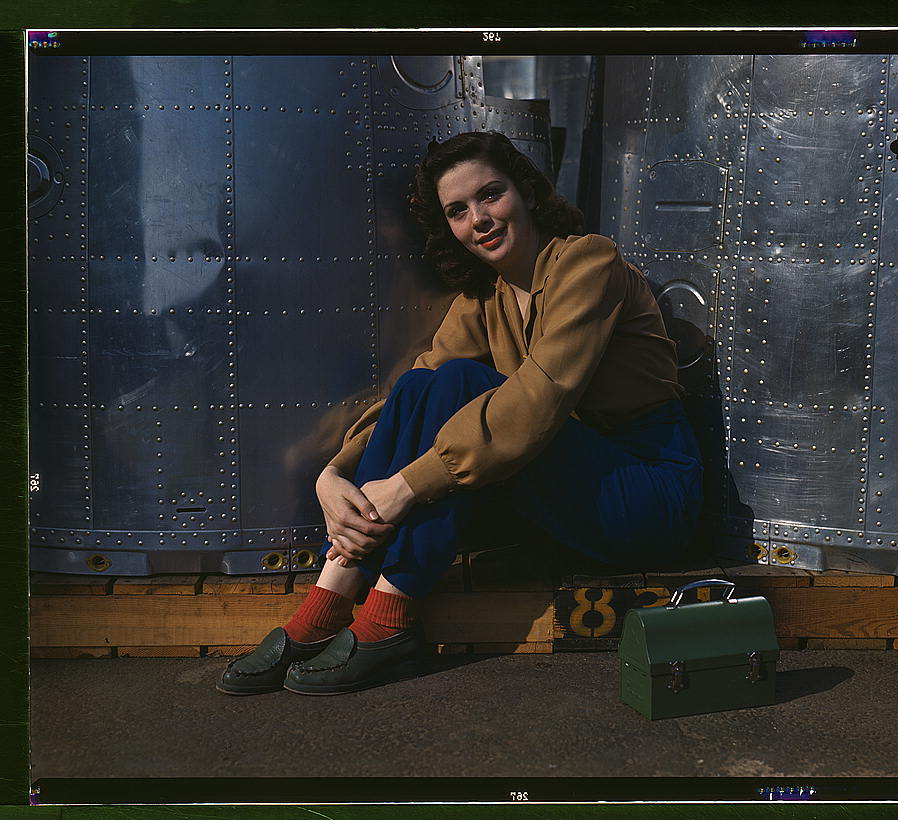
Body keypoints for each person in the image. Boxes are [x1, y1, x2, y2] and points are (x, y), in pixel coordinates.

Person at [217, 131, 703, 696]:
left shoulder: (589, 263)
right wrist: (334, 474)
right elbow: (412, 392)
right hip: (562, 499)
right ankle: (333, 595)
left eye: (490, 195)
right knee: (427, 383)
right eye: (458, 211)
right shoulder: (486, 298)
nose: (480, 219)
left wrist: (405, 487)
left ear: (524, 191)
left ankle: (381, 620)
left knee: (461, 384)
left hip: (645, 493)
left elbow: (537, 402)